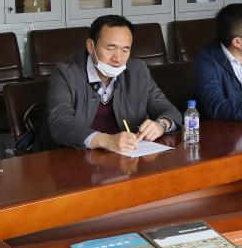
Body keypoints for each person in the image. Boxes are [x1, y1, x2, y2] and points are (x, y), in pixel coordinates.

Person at [41, 15, 181, 154]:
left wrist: (161, 125)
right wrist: (105, 140)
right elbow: (60, 124)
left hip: (127, 156)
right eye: (110, 48)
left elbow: (170, 111)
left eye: (125, 50)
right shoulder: (65, 74)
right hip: (75, 157)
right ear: (90, 46)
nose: (118, 58)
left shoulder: (137, 71)